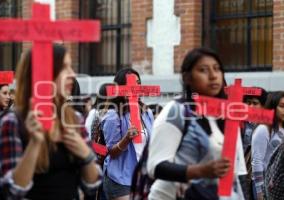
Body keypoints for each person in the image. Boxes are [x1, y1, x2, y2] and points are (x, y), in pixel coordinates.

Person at [0, 44, 102, 200]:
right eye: (64, 67)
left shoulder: (74, 118)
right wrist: (35, 144)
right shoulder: (12, 122)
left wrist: (86, 155)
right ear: (44, 74)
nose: (72, 74)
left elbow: (92, 185)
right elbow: (11, 191)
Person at [147, 47, 245, 200]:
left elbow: (233, 172)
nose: (213, 76)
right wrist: (200, 171)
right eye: (203, 70)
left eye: (217, 69)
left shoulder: (227, 114)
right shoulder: (176, 111)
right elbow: (155, 167)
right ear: (187, 77)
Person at [101, 68, 154, 200]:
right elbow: (112, 152)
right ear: (120, 88)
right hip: (120, 179)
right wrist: (126, 138)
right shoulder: (113, 116)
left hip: (142, 177)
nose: (136, 87)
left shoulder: (147, 113)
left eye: (138, 83)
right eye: (131, 83)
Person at [251, 91, 284, 200]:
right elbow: (257, 161)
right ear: (273, 107)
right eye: (282, 106)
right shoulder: (264, 129)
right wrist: (260, 191)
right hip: (265, 183)